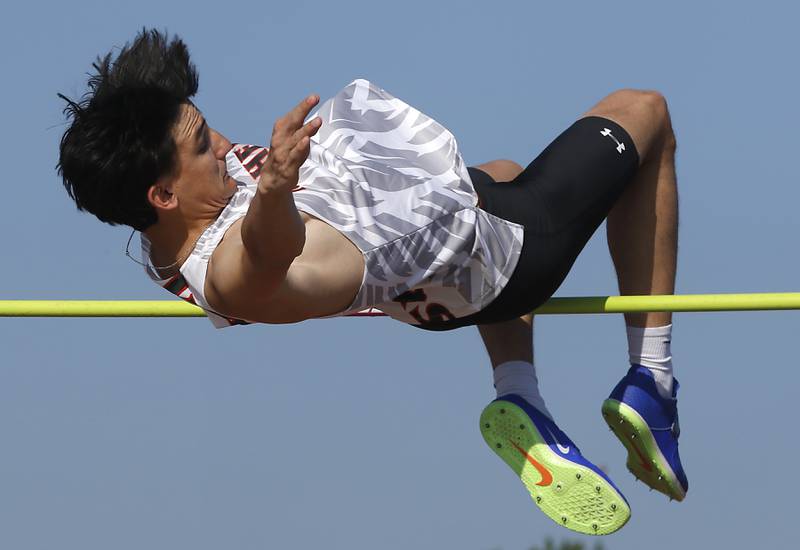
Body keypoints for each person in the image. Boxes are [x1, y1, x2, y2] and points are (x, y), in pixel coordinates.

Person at [58, 29, 684, 536]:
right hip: (510, 256)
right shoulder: (227, 273)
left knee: (499, 170)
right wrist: (273, 188)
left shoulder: (168, 238)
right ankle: (651, 379)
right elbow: (263, 253)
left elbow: (141, 150)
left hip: (427, 298)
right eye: (201, 146)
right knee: (644, 110)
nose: (221, 146)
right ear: (163, 193)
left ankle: (520, 393)